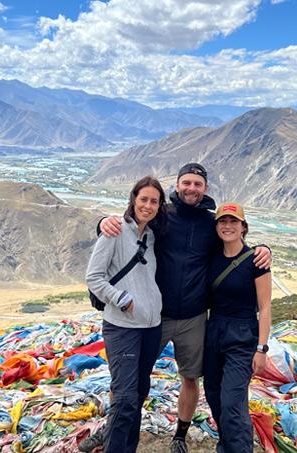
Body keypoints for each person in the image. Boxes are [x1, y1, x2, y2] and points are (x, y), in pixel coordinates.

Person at [98, 163, 272, 453]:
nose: (192, 188)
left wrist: (263, 248)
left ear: (204, 189)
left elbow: (236, 247)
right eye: (186, 183)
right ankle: (112, 430)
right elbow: (130, 223)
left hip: (194, 317)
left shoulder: (209, 223)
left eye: (198, 184)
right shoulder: (162, 214)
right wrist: (103, 221)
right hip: (157, 315)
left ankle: (180, 434)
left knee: (190, 377)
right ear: (177, 185)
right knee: (134, 378)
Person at [84, 176, 167, 453]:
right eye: (143, 199)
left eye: (154, 201)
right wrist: (120, 298)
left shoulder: (151, 236)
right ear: (133, 200)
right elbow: (94, 277)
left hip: (151, 327)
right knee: (124, 398)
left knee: (139, 395)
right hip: (123, 328)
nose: (148, 205)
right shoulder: (115, 230)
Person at [203, 202, 272, 453]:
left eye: (234, 221)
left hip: (243, 336)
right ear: (217, 226)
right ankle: (226, 446)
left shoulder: (257, 260)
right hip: (214, 333)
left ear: (244, 227)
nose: (228, 226)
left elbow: (264, 307)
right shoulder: (212, 257)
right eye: (223, 221)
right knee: (213, 396)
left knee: (232, 402)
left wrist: (262, 348)